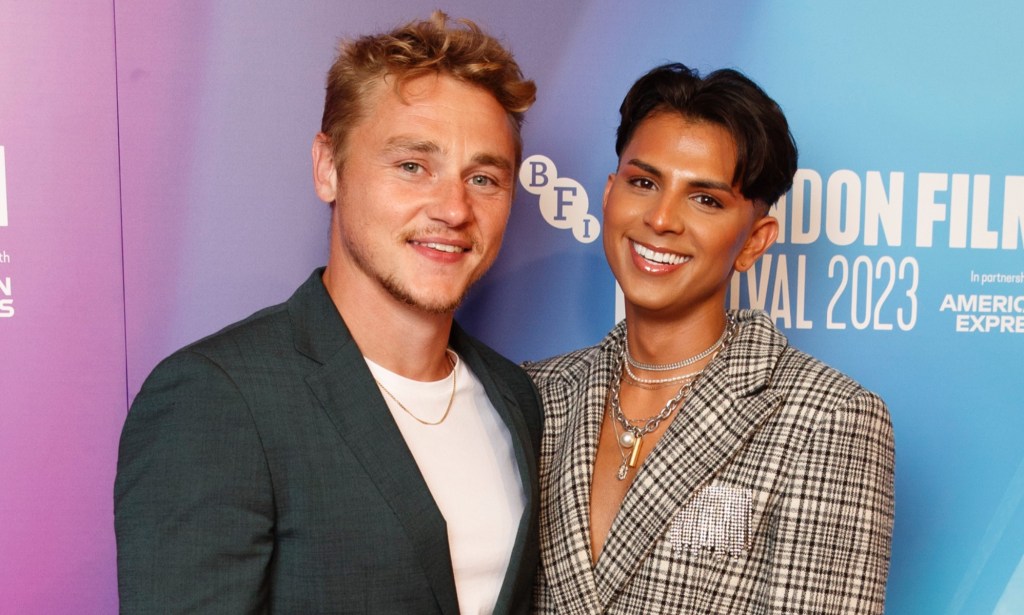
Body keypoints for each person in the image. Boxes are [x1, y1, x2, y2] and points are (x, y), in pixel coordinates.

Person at [114, 12, 542, 614]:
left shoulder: (514, 397)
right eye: (412, 166)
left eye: (484, 178)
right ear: (328, 167)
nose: (453, 208)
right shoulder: (217, 397)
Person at [526, 63, 894, 614]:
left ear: (754, 241)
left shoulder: (828, 417)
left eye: (706, 200)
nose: (662, 219)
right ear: (608, 195)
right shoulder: (534, 394)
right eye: (644, 183)